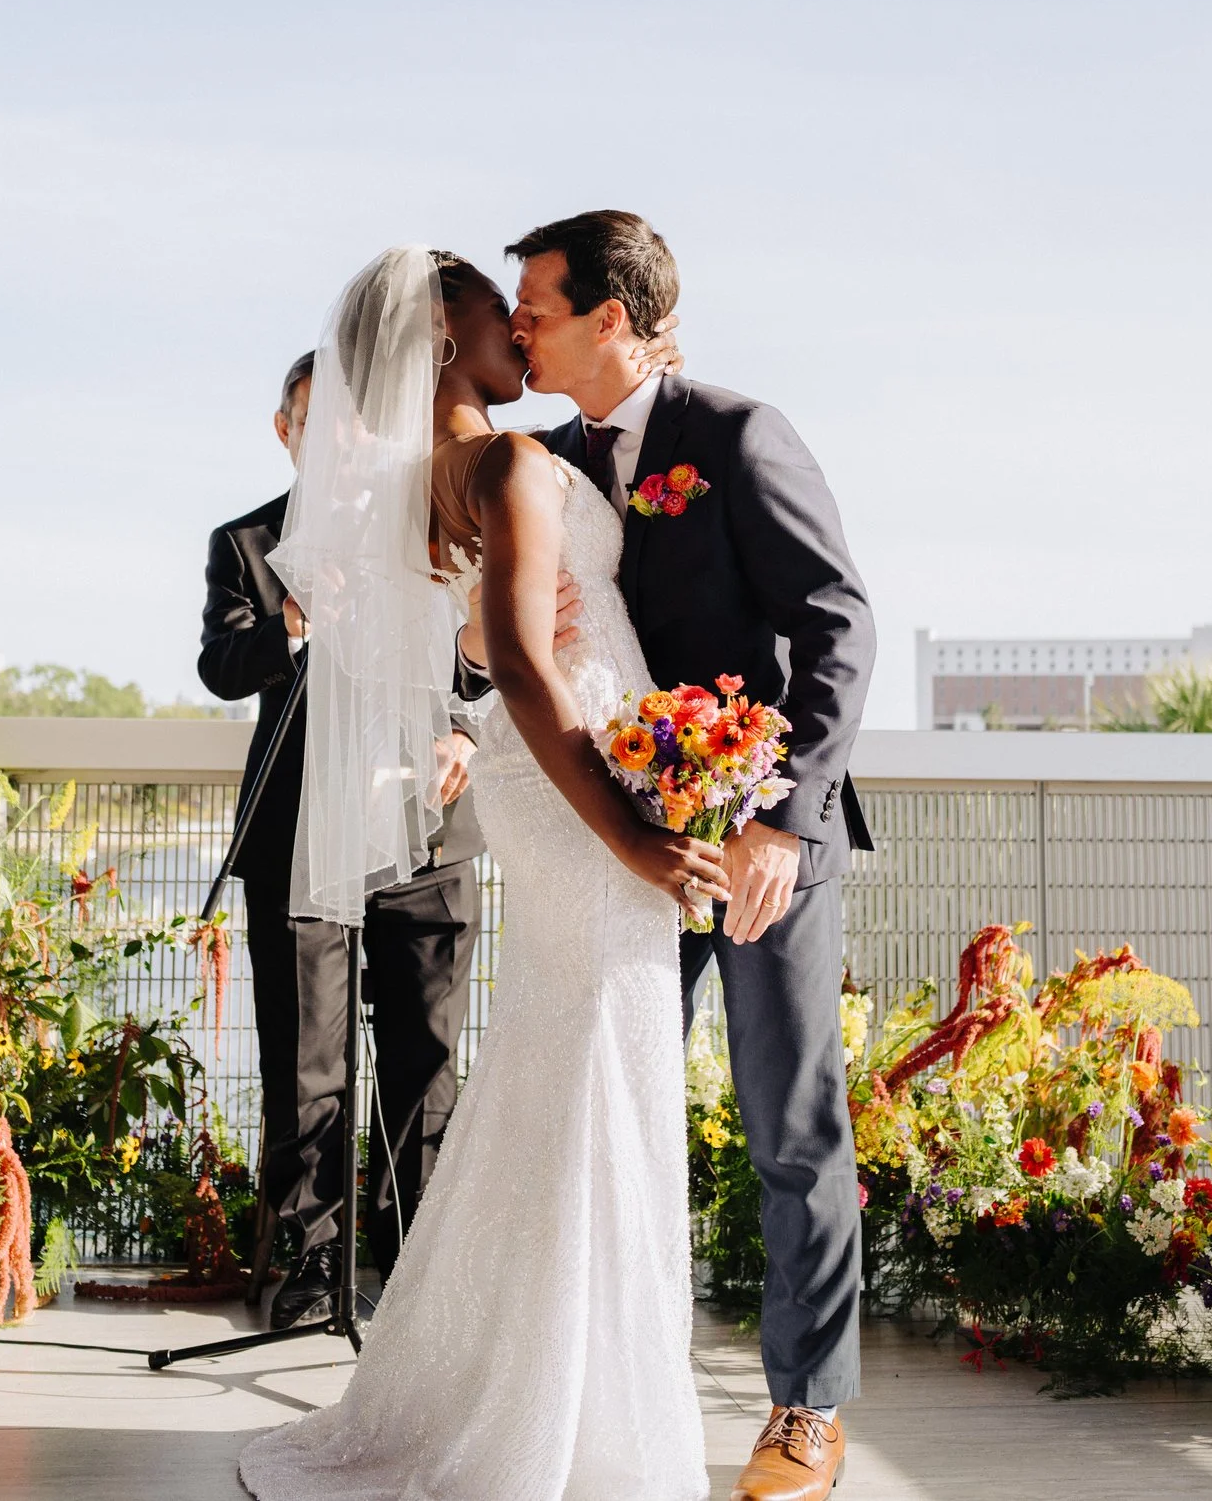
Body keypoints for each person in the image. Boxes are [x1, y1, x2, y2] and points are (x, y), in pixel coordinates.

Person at [240, 246, 731, 1501]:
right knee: (601, 1063)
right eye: (493, 313)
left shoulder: (426, 482)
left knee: (566, 1065)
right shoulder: (506, 463)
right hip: (584, 800)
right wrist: (631, 834)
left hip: (552, 781)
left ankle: (534, 1388)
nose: (519, 327)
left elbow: (461, 641)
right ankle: (568, 1418)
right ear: (443, 337)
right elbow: (511, 659)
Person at [515, 211, 876, 1501]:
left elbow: (838, 625)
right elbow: (513, 646)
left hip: (762, 839)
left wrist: (784, 819)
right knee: (607, 1118)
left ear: (609, 318)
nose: (518, 329)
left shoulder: (733, 436)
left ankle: (806, 1412)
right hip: (624, 849)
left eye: (536, 309)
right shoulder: (544, 467)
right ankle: (600, 1395)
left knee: (790, 1128)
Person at [197, 353, 485, 1328]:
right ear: (285, 432)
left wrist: (463, 732)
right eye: (319, 422)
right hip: (299, 842)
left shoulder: (439, 528)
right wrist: (290, 616)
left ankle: (415, 1264)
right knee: (304, 1061)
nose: (343, 439)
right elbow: (221, 666)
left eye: (360, 420)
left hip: (428, 834)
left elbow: (489, 655)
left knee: (425, 1058)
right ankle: (315, 1262)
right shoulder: (247, 542)